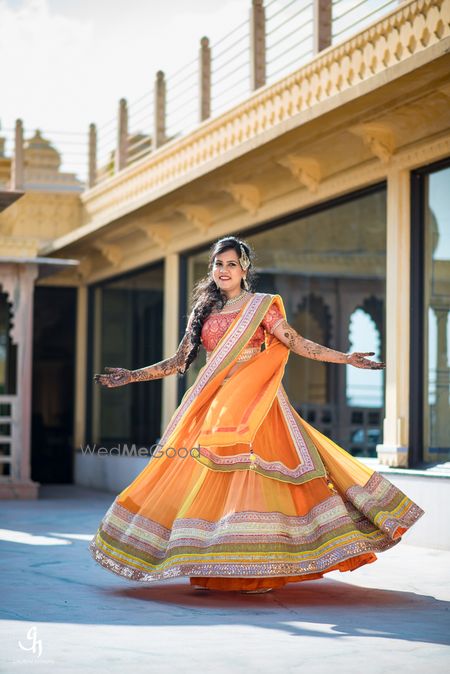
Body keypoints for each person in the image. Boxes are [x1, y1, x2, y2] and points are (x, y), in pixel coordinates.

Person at [89, 235, 425, 594]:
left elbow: (296, 343)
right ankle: (217, 560)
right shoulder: (204, 311)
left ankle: (259, 563)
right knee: (204, 482)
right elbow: (177, 363)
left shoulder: (262, 306)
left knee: (256, 481)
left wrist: (344, 358)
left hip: (258, 405)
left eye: (231, 264)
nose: (224, 270)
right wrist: (132, 376)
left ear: (244, 268)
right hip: (214, 406)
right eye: (219, 264)